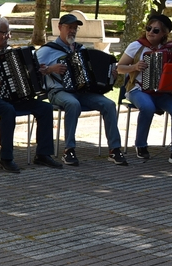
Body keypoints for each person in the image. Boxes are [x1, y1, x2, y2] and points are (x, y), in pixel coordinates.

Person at [0, 15, 63, 173]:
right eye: (5, 33)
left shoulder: (10, 52)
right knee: (8, 110)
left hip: (12, 96)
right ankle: (6, 158)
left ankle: (43, 154)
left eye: (9, 33)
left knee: (45, 108)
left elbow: (24, 75)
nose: (8, 37)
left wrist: (36, 71)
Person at [36, 14, 128, 166]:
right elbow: (30, 70)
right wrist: (50, 69)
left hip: (83, 92)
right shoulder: (47, 50)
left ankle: (114, 149)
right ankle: (69, 150)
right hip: (58, 91)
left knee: (109, 104)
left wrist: (109, 74)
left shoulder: (81, 49)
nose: (72, 31)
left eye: (75, 28)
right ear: (60, 28)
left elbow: (93, 72)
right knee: (73, 104)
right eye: (69, 27)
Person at [116, 13, 172, 166]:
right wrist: (134, 67)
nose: (150, 32)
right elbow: (119, 68)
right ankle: (141, 145)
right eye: (149, 28)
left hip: (162, 92)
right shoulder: (137, 46)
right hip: (137, 89)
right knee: (147, 107)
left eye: (156, 30)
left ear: (164, 34)